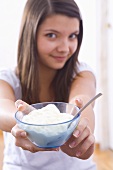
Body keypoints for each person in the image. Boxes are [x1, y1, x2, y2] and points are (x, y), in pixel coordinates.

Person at [0, 0, 97, 169]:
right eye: (52, 35)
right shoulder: (8, 79)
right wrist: (26, 119)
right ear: (30, 34)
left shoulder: (82, 73)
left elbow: (82, 99)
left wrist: (81, 133)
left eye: (72, 36)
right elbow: (2, 108)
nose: (64, 48)